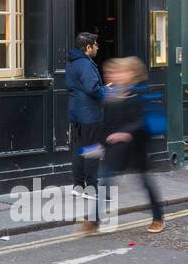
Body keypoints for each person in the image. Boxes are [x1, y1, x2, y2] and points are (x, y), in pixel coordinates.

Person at [88, 56, 165, 237]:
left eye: (117, 72)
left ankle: (158, 217)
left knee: (146, 183)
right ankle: (94, 221)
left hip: (136, 147)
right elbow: (106, 125)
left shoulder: (139, 95)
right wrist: (100, 144)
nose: (112, 75)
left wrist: (126, 132)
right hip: (115, 149)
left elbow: (141, 121)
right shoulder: (110, 96)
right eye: (110, 72)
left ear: (130, 74)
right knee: (105, 181)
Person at [65, 32, 104, 196]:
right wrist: (107, 91)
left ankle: (78, 186)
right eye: (95, 44)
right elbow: (93, 88)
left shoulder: (72, 62)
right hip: (89, 114)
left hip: (76, 112)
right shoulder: (85, 64)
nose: (97, 47)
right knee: (92, 151)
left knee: (79, 150)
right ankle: (91, 188)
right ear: (88, 47)